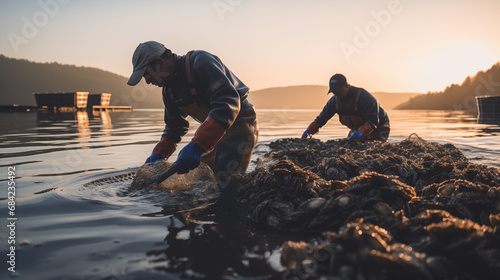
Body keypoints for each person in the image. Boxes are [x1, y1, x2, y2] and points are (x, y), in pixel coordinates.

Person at [127, 41, 258, 185]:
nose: (147, 81)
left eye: (146, 74)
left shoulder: (200, 61)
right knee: (202, 182)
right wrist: (158, 155)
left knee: (224, 183)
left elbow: (227, 102)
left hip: (241, 125)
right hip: (215, 134)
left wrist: (198, 145)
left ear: (159, 63)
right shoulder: (169, 92)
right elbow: (174, 127)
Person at [302, 73, 390, 141]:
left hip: (379, 126)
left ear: (346, 85)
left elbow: (372, 121)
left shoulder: (365, 98)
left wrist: (360, 133)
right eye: (334, 92)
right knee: (350, 146)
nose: (337, 94)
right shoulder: (334, 101)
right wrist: (309, 130)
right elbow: (321, 119)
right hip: (358, 129)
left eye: (339, 91)